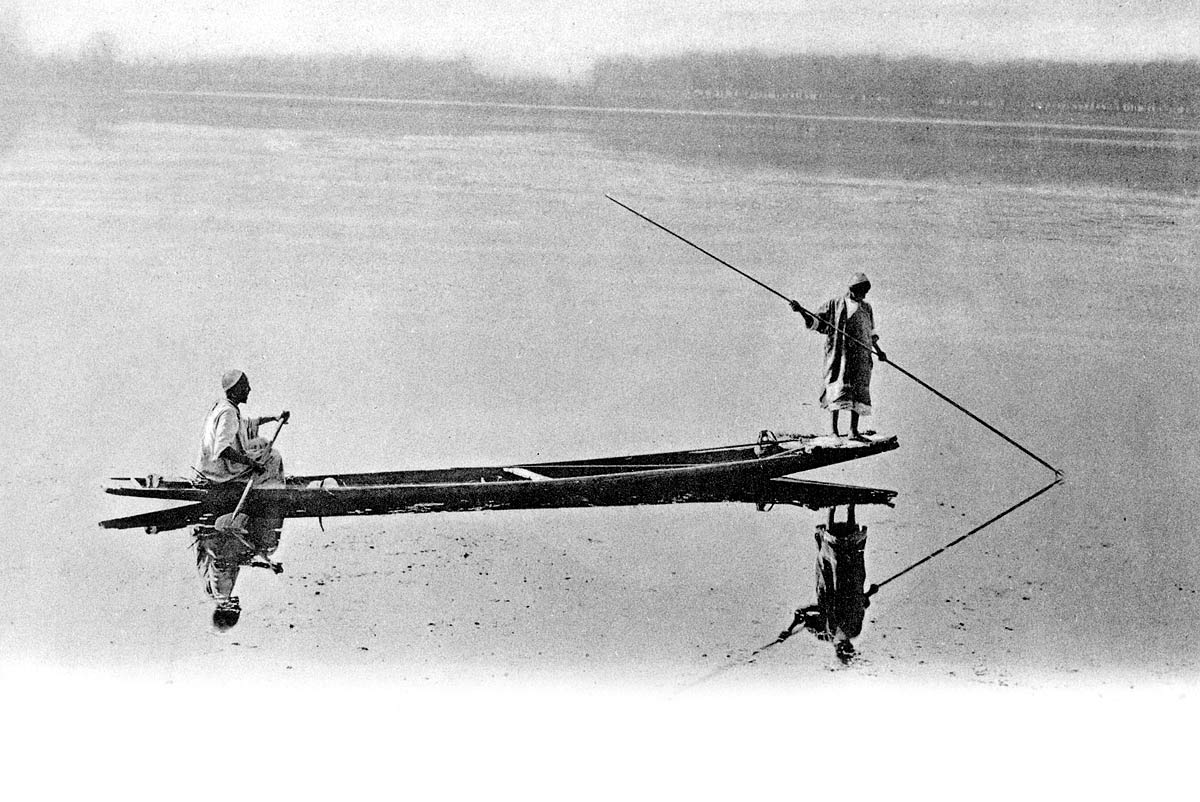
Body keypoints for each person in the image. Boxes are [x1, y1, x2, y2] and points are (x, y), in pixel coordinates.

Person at [194, 369, 289, 630]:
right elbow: (222, 448)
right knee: (272, 456)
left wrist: (274, 418)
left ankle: (263, 487)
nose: (249, 390)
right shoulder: (226, 412)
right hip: (221, 471)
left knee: (260, 443)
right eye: (245, 386)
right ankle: (268, 491)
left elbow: (245, 426)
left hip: (216, 466)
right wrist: (251, 464)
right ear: (235, 389)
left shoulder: (227, 408)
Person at [791, 273, 887, 441]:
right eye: (861, 292)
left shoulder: (867, 308)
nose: (864, 296)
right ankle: (834, 432)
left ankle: (853, 431)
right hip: (839, 354)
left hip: (860, 356)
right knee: (836, 388)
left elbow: (871, 334)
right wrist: (800, 311)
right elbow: (816, 322)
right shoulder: (834, 305)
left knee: (858, 390)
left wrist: (879, 351)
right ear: (852, 290)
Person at [795, 505, 870, 662]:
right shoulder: (853, 630)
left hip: (831, 588)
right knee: (848, 557)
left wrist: (799, 620)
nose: (844, 645)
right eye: (847, 648)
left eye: (842, 649)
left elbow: (810, 619)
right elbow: (860, 606)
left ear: (838, 649)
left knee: (832, 558)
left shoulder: (826, 634)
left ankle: (833, 509)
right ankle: (849, 508)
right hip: (848, 587)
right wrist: (867, 595)